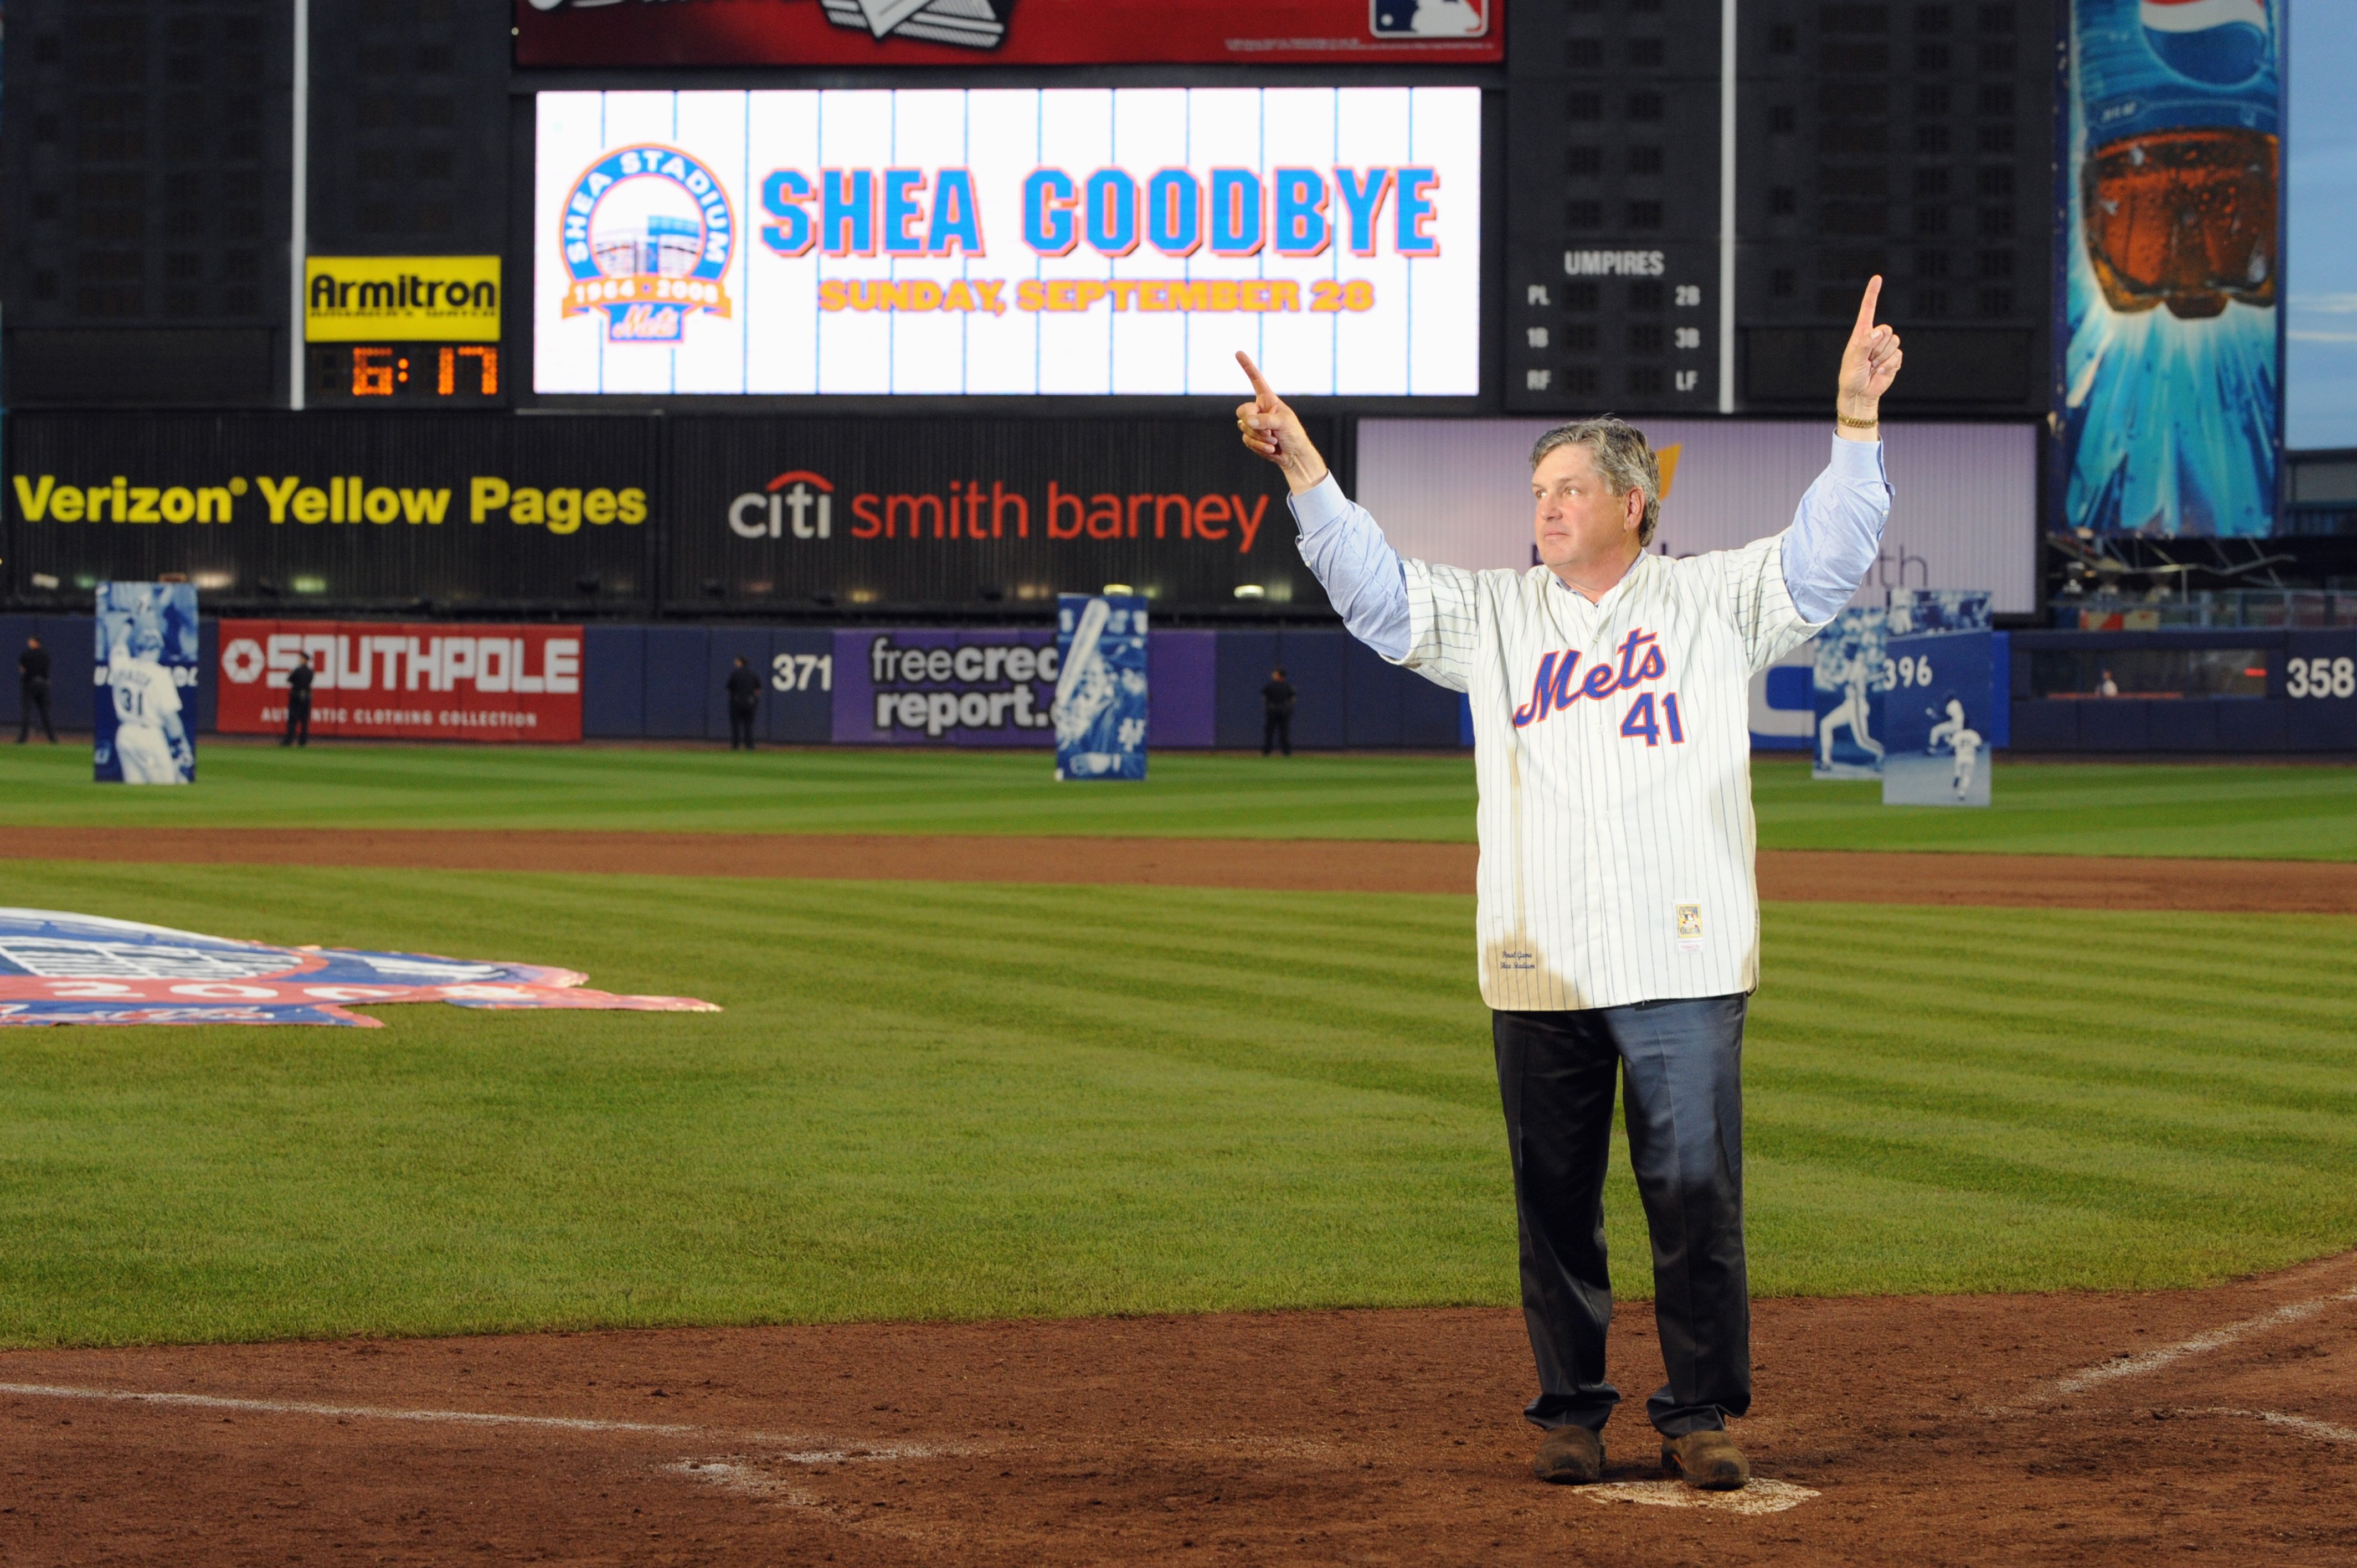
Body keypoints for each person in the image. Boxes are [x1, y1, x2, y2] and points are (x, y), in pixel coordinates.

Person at [1231, 276, 1901, 1493]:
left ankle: (1698, 1414)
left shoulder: (1713, 602)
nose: (1544, 507)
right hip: (1537, 959)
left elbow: (1828, 555)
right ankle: (1569, 1412)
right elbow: (1379, 597)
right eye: (1536, 492)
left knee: (1693, 1202)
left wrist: (1854, 420)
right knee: (1553, 1205)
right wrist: (1307, 474)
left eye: (1568, 489)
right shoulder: (1493, 616)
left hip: (1684, 960)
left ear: (1633, 505)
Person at [107, 625, 193, 784]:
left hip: (124, 735)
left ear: (137, 648)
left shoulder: (122, 666)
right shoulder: (159, 675)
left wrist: (131, 621)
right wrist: (181, 745)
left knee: (135, 793)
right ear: (158, 649)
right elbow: (170, 717)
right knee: (167, 788)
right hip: (149, 736)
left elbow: (118, 642)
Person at [17, 636, 55, 744]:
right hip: (43, 685)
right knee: (45, 713)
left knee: (27, 713)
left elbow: (22, 668)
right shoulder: (45, 654)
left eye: (31, 641)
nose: (29, 642)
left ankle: (23, 739)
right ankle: (52, 739)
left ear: (36, 643)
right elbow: (46, 670)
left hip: (29, 684)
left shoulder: (26, 654)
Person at [726, 655, 761, 750]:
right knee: (748, 725)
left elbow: (729, 689)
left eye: (737, 661)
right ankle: (749, 746)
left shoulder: (735, 674)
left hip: (737, 702)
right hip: (750, 703)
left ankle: (735, 746)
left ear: (741, 663)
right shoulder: (753, 674)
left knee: (736, 725)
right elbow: (758, 689)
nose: (736, 663)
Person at [1260, 667, 1296, 756]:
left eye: (1275, 674)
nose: (1273, 675)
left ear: (1280, 676)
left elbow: (1264, 697)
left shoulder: (1285, 686)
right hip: (1278, 712)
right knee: (1274, 732)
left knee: (1281, 733)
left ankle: (1273, 751)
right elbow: (1293, 698)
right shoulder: (1272, 686)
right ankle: (1282, 752)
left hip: (1277, 712)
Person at [282, 651, 314, 747]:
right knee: (304, 720)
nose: (300, 660)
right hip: (306, 697)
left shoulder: (297, 670)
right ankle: (303, 741)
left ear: (305, 660)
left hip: (296, 697)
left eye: (301, 658)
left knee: (293, 719)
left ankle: (289, 740)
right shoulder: (310, 672)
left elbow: (289, 680)